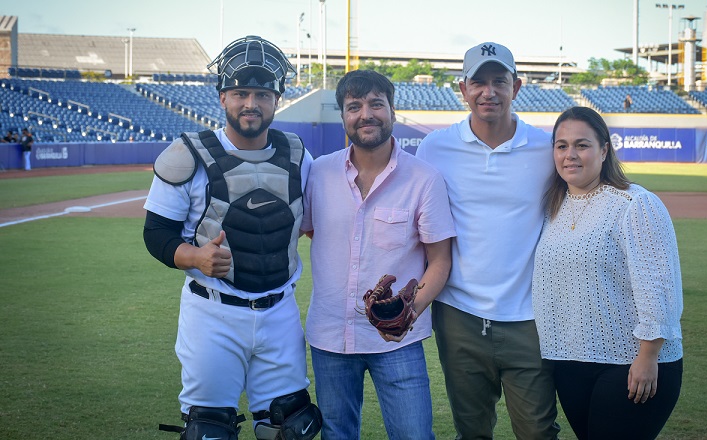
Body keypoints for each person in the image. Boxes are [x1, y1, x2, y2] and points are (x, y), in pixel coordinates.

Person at [142, 36, 321, 440]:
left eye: (262, 93)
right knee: (210, 430)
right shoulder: (188, 155)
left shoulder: (298, 156)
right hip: (213, 312)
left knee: (288, 428)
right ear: (222, 97)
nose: (250, 104)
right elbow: (156, 233)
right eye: (240, 93)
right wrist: (194, 257)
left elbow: (315, 225)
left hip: (279, 312)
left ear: (277, 99)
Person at [416, 42, 560, 439]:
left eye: (500, 81)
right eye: (478, 82)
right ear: (463, 89)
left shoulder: (546, 149)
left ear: (517, 86)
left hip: (530, 318)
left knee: (537, 431)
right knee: (472, 432)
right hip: (459, 316)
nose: (488, 91)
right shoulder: (435, 148)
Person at [302, 69, 455, 439]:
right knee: (336, 434)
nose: (365, 114)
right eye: (354, 106)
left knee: (414, 435)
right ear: (343, 116)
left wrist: (409, 312)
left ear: (392, 111)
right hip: (330, 337)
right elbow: (310, 232)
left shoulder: (424, 178)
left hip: (399, 341)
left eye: (376, 104)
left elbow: (440, 260)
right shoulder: (319, 174)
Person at [533, 106, 683, 440]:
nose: (570, 154)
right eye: (561, 146)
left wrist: (648, 356)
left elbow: (657, 287)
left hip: (631, 363)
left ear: (604, 150)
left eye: (582, 145)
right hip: (569, 361)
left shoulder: (634, 204)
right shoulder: (550, 208)